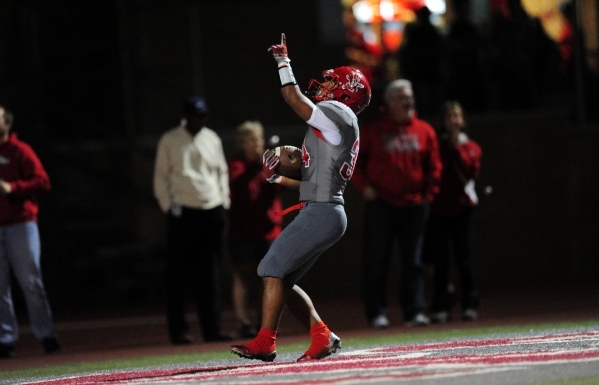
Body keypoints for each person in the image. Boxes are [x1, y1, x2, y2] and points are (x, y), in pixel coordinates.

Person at [230, 33, 371, 362]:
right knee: (283, 278)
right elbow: (313, 179)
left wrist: (283, 61)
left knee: (269, 268)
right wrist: (279, 176)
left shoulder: (339, 113)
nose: (325, 86)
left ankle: (266, 341)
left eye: (333, 83)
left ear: (345, 93)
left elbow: (293, 98)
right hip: (325, 209)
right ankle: (322, 336)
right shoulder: (340, 125)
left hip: (322, 212)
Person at [351, 79, 442, 329]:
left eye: (410, 96)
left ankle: (414, 311)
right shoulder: (373, 131)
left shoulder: (425, 130)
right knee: (376, 260)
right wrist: (365, 188)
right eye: (403, 97)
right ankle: (376, 313)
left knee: (413, 262)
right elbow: (352, 163)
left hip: (414, 206)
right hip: (381, 205)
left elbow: (434, 165)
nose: (409, 101)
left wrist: (428, 195)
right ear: (390, 102)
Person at [153, 96, 232, 344]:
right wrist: (169, 206)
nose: (199, 120)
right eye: (194, 116)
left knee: (210, 273)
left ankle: (212, 329)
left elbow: (221, 172)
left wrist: (223, 202)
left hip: (211, 209)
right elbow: (161, 178)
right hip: (183, 212)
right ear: (184, 116)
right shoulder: (169, 140)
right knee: (178, 274)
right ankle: (179, 331)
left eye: (202, 116)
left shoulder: (212, 138)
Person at [0, 105, 60, 358]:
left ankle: (46, 335)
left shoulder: (20, 150)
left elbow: (43, 180)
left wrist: (14, 188)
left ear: (6, 122)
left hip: (21, 223)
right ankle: (5, 339)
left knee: (30, 281)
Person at [424, 101, 482, 323]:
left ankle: (470, 303)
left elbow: (471, 171)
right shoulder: (438, 146)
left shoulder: (471, 147)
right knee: (440, 260)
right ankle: (442, 304)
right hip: (439, 208)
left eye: (456, 116)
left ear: (463, 120)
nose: (453, 121)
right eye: (449, 117)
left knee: (463, 258)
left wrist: (456, 146)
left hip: (462, 209)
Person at [227, 120, 284, 338]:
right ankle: (243, 321)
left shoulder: (269, 163)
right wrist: (257, 166)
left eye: (259, 139)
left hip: (269, 229)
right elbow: (237, 188)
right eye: (251, 139)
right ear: (241, 143)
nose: (257, 143)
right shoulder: (235, 164)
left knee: (268, 277)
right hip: (242, 229)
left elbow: (281, 186)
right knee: (243, 275)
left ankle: (265, 321)